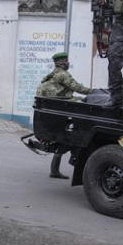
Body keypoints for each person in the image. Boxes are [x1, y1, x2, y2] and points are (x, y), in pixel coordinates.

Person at [36, 51, 93, 179]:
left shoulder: (51, 75)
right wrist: (94, 91)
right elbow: (78, 88)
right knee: (71, 137)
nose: (68, 63)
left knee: (62, 140)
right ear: (61, 63)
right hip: (61, 108)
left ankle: (54, 170)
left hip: (51, 110)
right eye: (66, 61)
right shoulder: (63, 74)